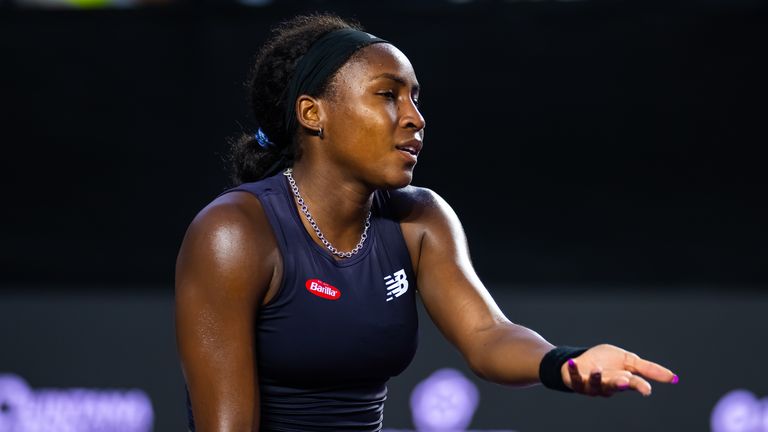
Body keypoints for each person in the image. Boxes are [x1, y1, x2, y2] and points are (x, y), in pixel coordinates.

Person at [174, 13, 678, 432]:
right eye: (387, 95)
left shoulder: (420, 218)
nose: (415, 117)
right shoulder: (234, 233)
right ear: (313, 113)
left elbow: (487, 335)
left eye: (416, 97)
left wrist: (565, 363)